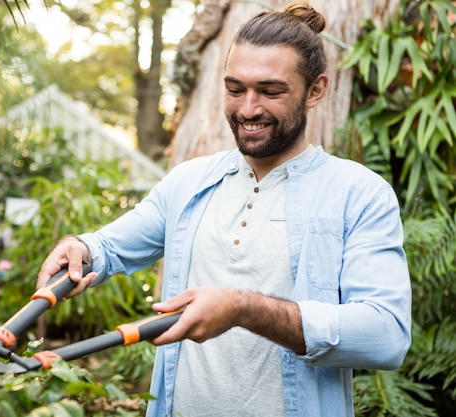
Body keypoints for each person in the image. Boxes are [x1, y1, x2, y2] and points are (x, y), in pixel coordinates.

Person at [37, 3, 412, 416]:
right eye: (235, 89)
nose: (248, 109)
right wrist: (79, 247)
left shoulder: (360, 194)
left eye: (270, 91)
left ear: (317, 90)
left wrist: (242, 308)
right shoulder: (189, 181)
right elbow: (108, 247)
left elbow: (386, 334)